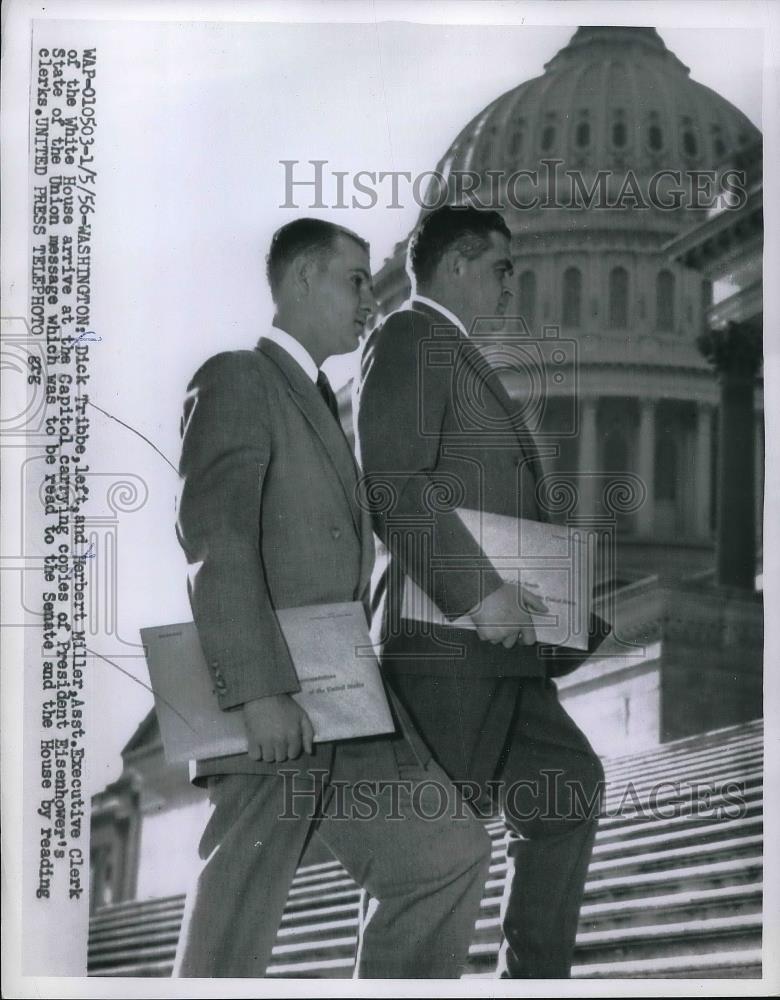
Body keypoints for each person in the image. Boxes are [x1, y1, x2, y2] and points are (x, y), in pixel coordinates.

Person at [172, 218, 491, 979]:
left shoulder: (322, 402)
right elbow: (217, 545)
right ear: (303, 279)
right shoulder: (237, 377)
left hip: (343, 693)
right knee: (235, 915)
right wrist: (257, 694)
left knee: (446, 855)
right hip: (274, 695)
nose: (369, 302)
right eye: (355, 282)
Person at [356, 205, 609, 979]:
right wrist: (479, 593)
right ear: (457, 265)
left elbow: (485, 507)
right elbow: (395, 486)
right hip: (448, 648)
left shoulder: (458, 357)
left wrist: (562, 617)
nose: (511, 287)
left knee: (569, 787)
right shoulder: (407, 339)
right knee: (431, 859)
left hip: (504, 649)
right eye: (501, 268)